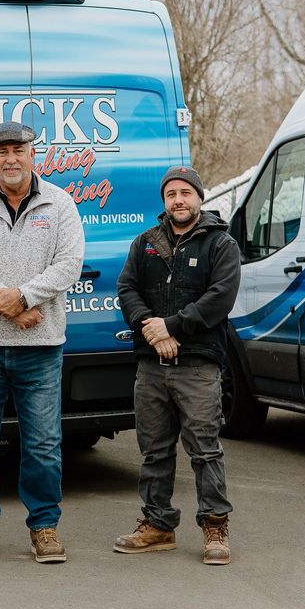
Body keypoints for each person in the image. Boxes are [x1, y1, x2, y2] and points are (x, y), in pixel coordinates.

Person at [0, 121, 85, 564]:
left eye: (18, 150)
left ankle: (44, 527)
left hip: (41, 346)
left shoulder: (60, 204)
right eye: (2, 151)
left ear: (32, 154)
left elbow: (69, 265)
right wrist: (7, 305)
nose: (10, 158)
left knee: (43, 442)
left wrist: (23, 297)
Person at [114, 165, 241, 565]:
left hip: (198, 365)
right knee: (153, 450)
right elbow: (127, 288)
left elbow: (220, 298)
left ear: (199, 198)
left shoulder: (220, 245)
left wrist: (170, 327)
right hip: (151, 366)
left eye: (186, 192)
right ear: (164, 201)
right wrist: (149, 329)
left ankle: (215, 527)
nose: (178, 200)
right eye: (171, 194)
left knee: (204, 450)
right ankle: (158, 525)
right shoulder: (145, 243)